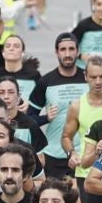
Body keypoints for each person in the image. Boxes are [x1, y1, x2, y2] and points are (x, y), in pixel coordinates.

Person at [29, 35, 86, 181]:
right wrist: (46, 118)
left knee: (82, 202)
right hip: (54, 155)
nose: (67, 54)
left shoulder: (88, 78)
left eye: (71, 49)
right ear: (56, 52)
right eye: (63, 49)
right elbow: (28, 120)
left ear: (77, 51)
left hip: (84, 155)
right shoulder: (46, 82)